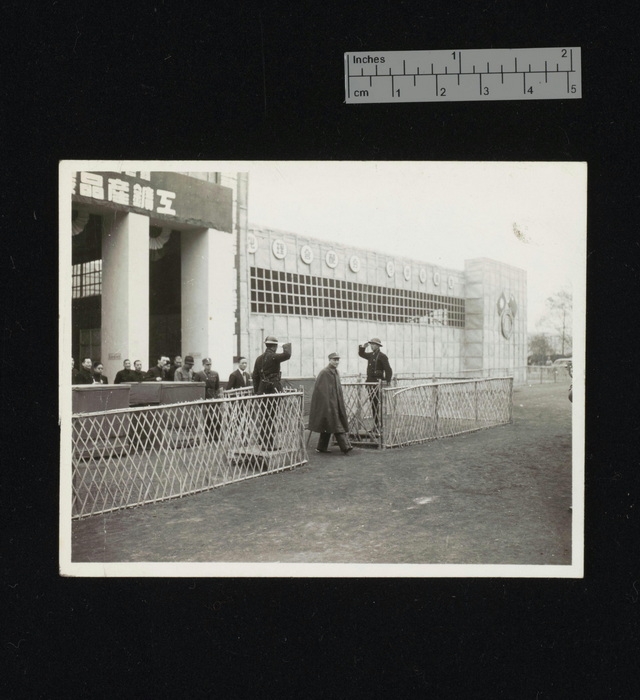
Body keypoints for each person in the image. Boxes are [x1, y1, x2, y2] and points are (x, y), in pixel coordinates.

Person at [252, 336, 292, 450]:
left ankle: (264, 442)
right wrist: (284, 345)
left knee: (264, 416)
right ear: (274, 347)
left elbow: (255, 376)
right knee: (271, 417)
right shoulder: (274, 357)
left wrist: (257, 392)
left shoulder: (259, 359)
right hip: (273, 389)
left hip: (262, 390)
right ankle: (268, 445)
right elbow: (288, 354)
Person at [308, 352, 352, 455]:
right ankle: (345, 447)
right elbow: (321, 391)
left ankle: (321, 447)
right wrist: (327, 405)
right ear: (329, 360)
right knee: (336, 423)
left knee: (327, 425)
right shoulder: (325, 372)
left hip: (335, 402)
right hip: (328, 404)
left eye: (337, 360)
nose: (336, 362)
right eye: (334, 360)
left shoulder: (335, 372)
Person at [358, 337, 393, 435]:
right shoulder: (371, 355)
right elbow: (361, 354)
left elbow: (388, 370)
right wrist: (362, 347)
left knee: (378, 406)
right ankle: (376, 426)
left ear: (378, 346)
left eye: (374, 344)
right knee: (374, 406)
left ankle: (379, 427)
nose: (372, 346)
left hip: (377, 384)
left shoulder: (382, 356)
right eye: (371, 344)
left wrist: (387, 381)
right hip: (370, 384)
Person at [193, 357, 222, 442]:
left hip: (212, 398)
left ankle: (215, 436)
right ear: (203, 365)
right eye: (207, 365)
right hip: (203, 398)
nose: (208, 366)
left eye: (210, 364)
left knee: (215, 417)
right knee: (205, 418)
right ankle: (206, 437)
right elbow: (196, 387)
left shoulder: (215, 374)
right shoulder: (199, 374)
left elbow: (217, 387)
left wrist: (217, 397)